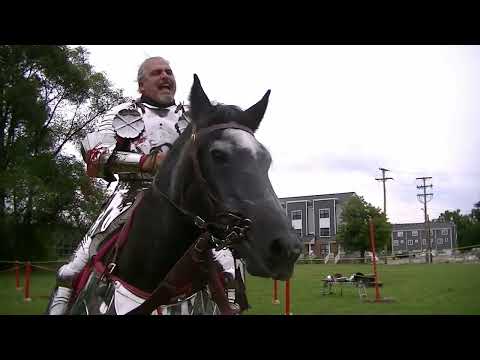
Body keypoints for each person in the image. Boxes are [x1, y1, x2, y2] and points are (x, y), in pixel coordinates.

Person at [46, 57, 238, 315]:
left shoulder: (194, 117)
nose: (165, 77)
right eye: (157, 73)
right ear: (141, 84)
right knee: (71, 271)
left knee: (228, 263)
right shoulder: (121, 113)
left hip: (184, 202)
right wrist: (147, 161)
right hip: (130, 195)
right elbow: (95, 155)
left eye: (169, 72)